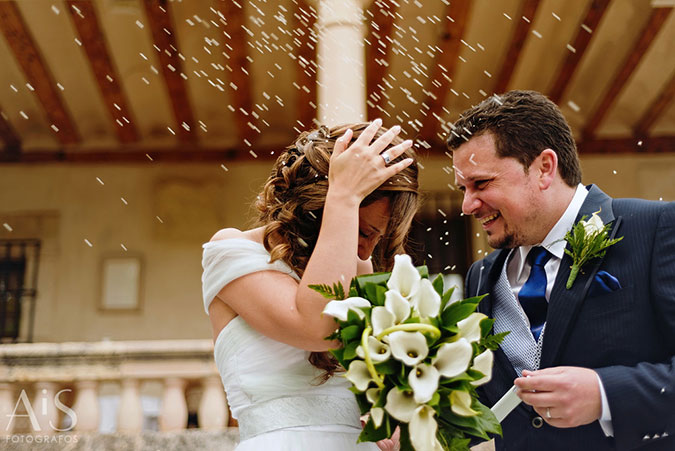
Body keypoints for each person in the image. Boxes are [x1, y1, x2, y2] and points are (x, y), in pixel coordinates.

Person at [446, 90, 674, 450]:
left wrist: (605, 396)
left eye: (481, 183)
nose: (466, 204)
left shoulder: (657, 228)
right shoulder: (481, 276)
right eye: (462, 188)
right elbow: (490, 408)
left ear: (544, 168)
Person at [201, 119, 419, 450]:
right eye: (361, 231)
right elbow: (318, 326)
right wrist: (344, 195)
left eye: (378, 236)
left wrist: (392, 418)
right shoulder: (233, 251)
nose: (366, 250)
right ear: (315, 212)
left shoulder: (358, 266)